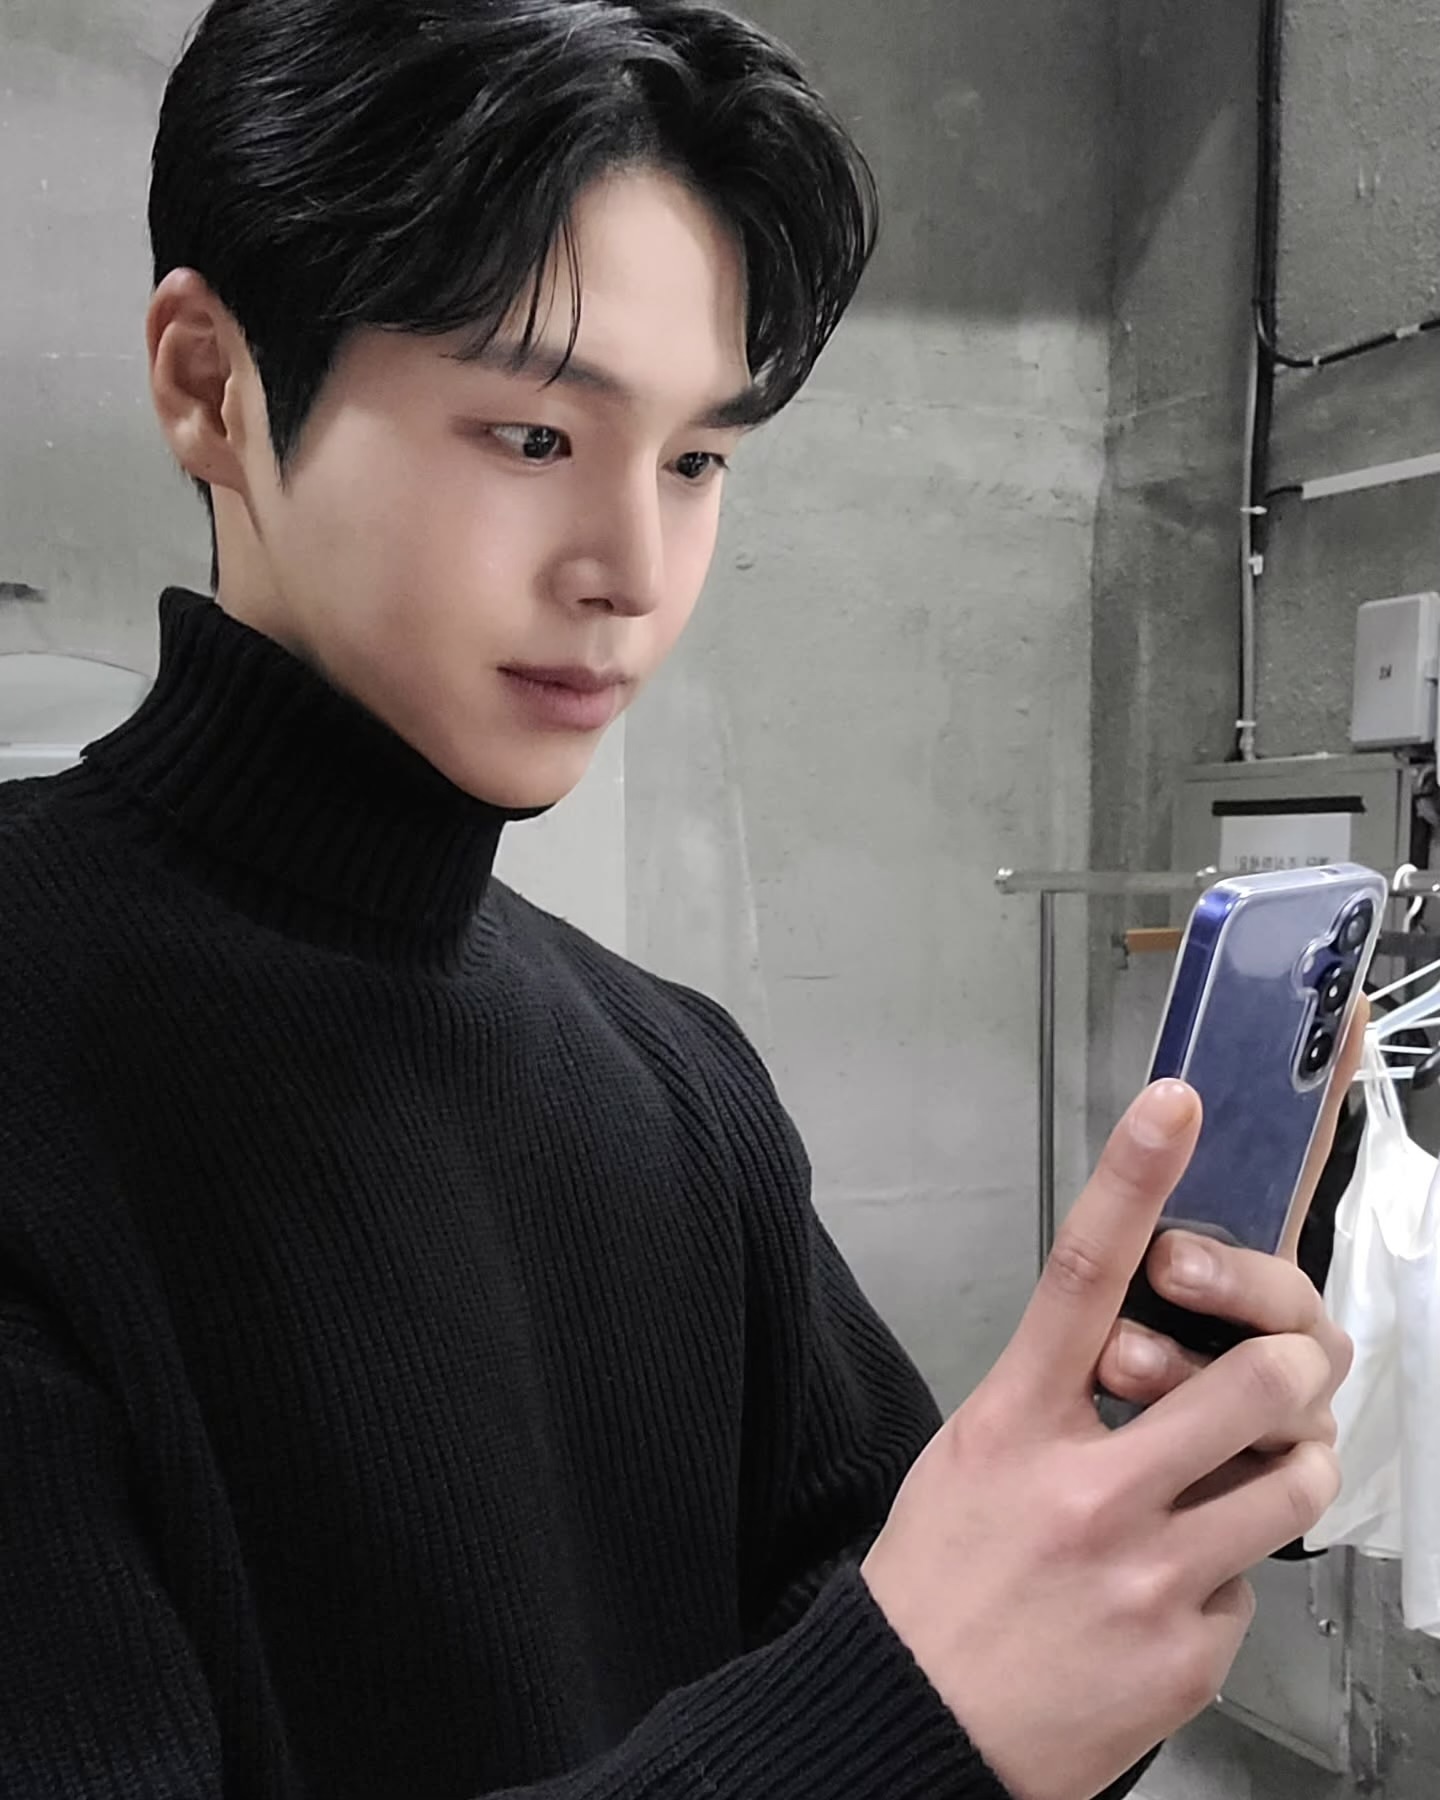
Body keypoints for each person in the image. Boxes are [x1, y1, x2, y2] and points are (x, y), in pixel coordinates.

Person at [0, 2, 1354, 1797]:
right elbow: (893, 1712)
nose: (634, 571)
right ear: (210, 384)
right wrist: (912, 1709)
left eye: (699, 460)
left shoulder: (677, 1083)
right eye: (531, 436)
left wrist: (1108, 1542)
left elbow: (934, 1693)